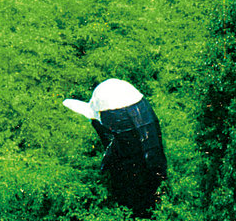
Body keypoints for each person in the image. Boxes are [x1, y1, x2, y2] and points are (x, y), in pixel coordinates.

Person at [63, 78, 166, 216]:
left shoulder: (108, 111)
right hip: (138, 108)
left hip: (121, 111)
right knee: (145, 159)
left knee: (132, 168)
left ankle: (138, 206)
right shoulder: (128, 100)